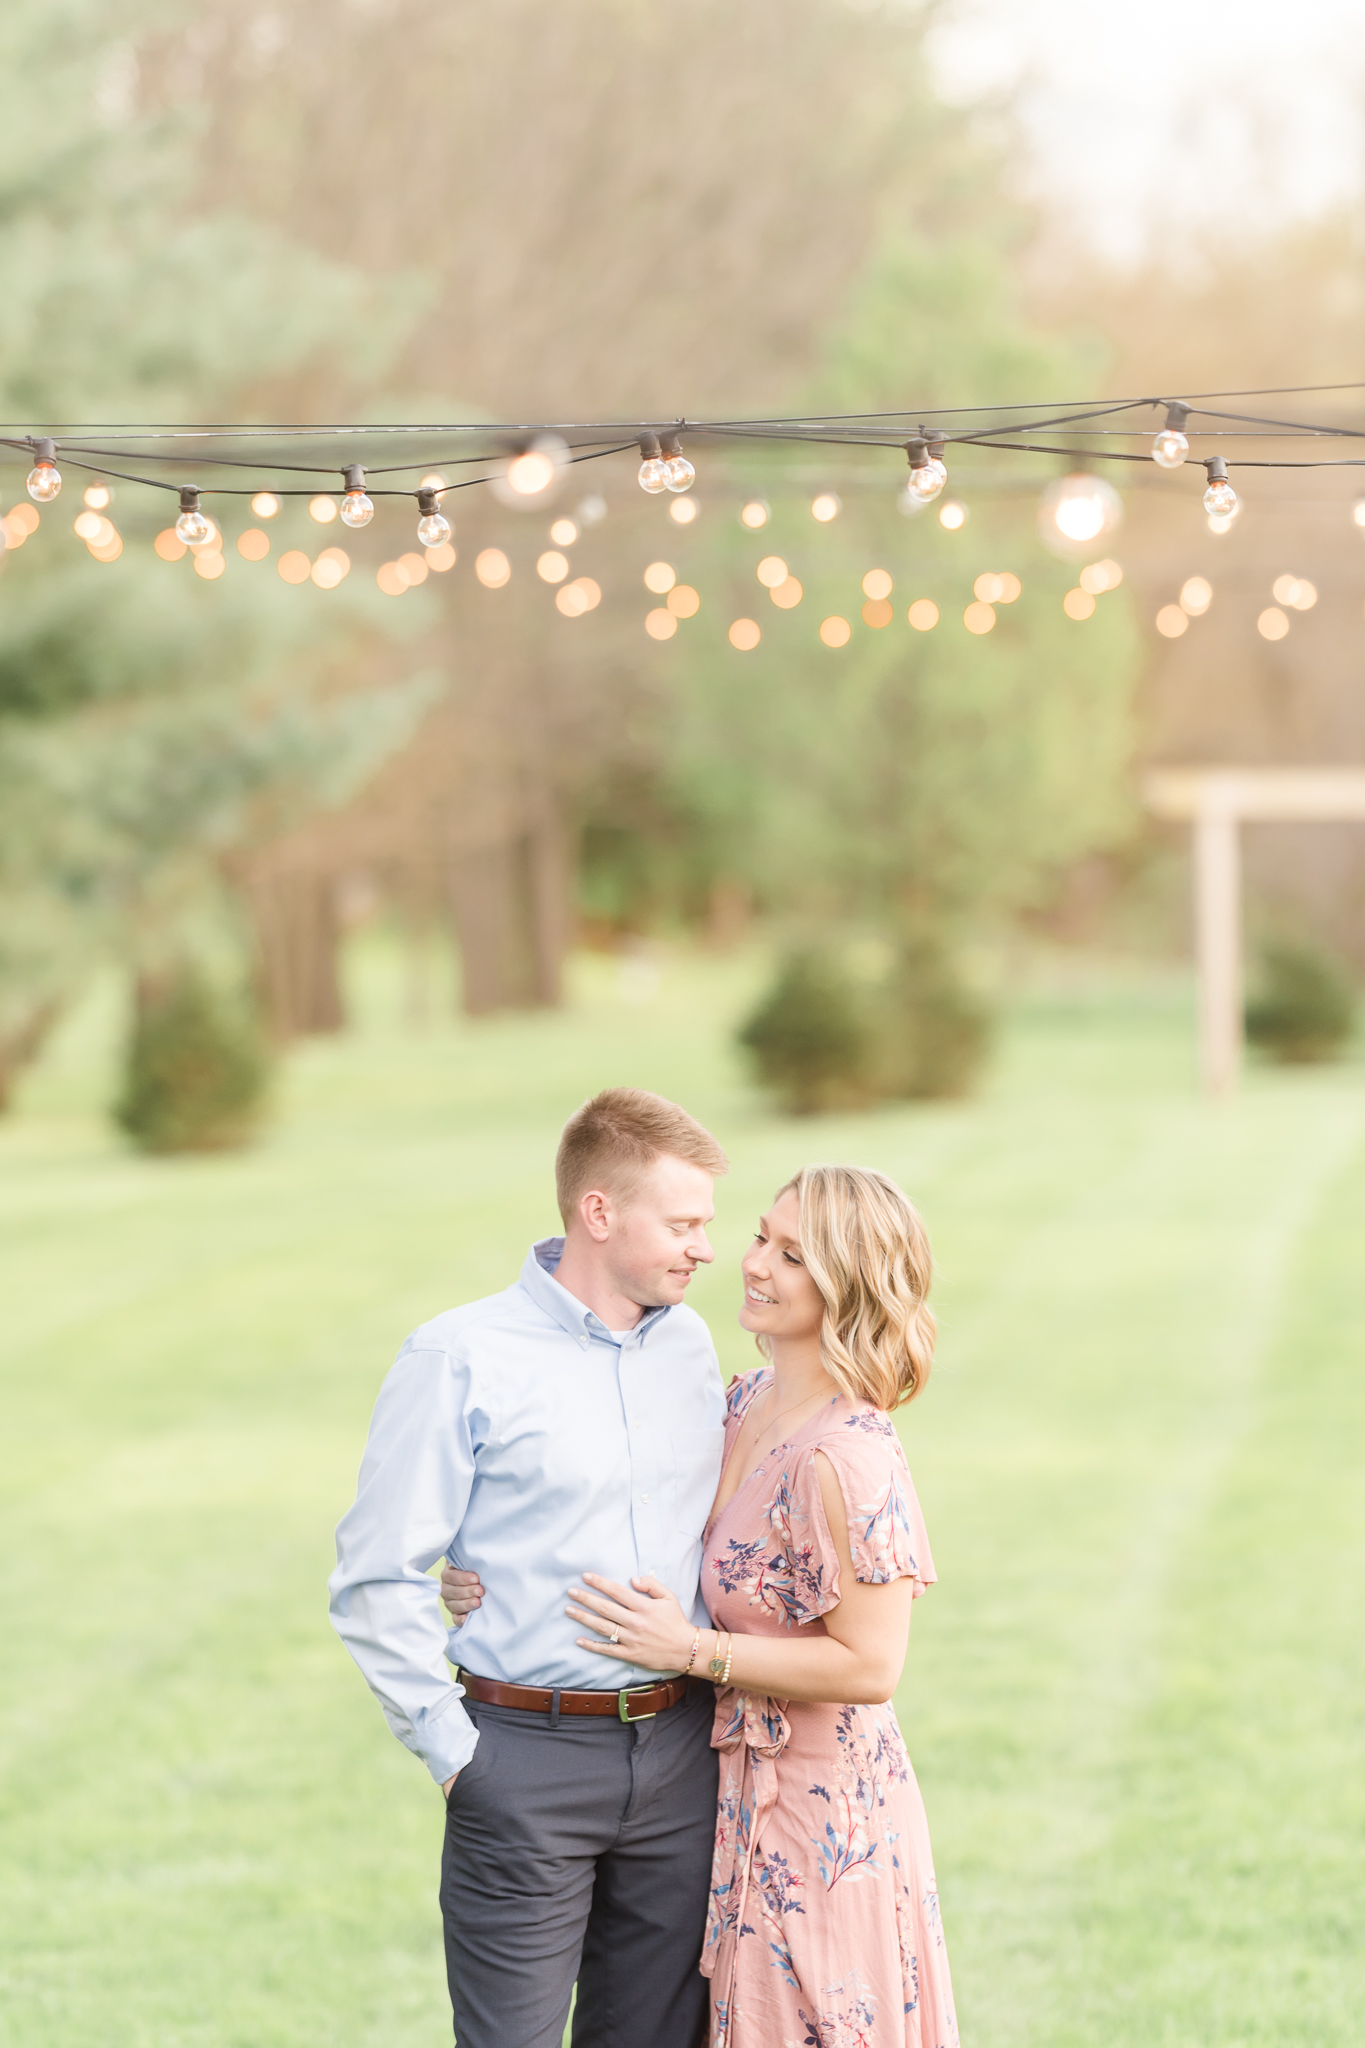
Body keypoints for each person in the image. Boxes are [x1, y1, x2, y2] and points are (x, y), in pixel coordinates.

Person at [447, 1163, 959, 2048]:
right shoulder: (743, 1400)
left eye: (793, 1256)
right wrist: (492, 1571)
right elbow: (642, 1523)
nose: (753, 1263)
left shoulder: (848, 1455)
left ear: (846, 1284)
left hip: (818, 1815)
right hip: (720, 1786)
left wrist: (689, 1652)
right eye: (763, 1236)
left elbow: (871, 1666)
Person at [328, 1086, 731, 2048]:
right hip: (521, 1762)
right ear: (599, 1212)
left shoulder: (690, 1346)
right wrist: (456, 1753)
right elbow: (376, 1573)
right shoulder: (458, 1355)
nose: (705, 1248)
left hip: (680, 1758)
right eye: (682, 1222)